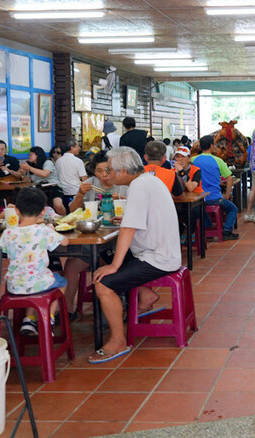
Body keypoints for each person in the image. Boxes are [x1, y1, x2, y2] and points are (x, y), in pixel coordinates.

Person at [88, 147, 182, 364]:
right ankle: (146, 295)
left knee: (104, 283)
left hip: (158, 257)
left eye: (110, 170)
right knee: (109, 254)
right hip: (159, 250)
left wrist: (114, 267)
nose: (108, 175)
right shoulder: (148, 179)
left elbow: (129, 229)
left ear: (122, 171)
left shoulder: (139, 186)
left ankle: (118, 341)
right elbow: (139, 219)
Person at [63, 150, 129, 316]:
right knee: (70, 266)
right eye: (99, 171)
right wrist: (80, 194)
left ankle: (115, 306)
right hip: (93, 238)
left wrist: (121, 200)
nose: (104, 175)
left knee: (105, 263)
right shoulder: (90, 184)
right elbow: (71, 211)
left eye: (107, 170)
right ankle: (67, 312)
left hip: (118, 241)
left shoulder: (123, 184)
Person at [0, 187, 69, 336]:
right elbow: (65, 242)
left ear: (16, 210)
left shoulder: (8, 232)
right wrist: (52, 230)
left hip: (13, 286)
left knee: (33, 284)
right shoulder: (44, 230)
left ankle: (29, 319)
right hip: (40, 282)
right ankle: (48, 319)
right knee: (62, 282)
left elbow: (3, 251)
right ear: (43, 212)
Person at [192, 135, 239, 241]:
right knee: (233, 209)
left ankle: (207, 228)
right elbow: (229, 178)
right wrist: (227, 195)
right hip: (215, 197)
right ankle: (227, 230)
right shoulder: (218, 161)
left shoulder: (194, 160)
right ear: (211, 146)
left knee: (202, 209)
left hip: (199, 198)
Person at [20, 146, 66, 215]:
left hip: (53, 187)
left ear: (38, 155)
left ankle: (64, 221)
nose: (29, 156)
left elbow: (45, 174)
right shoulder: (31, 166)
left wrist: (29, 168)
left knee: (58, 205)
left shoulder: (47, 162)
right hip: (39, 190)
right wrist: (23, 175)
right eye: (29, 154)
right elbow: (28, 181)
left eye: (31, 154)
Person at [55, 137, 87, 208]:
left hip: (62, 194)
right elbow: (85, 180)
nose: (79, 148)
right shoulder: (78, 161)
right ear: (72, 147)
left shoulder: (58, 161)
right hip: (75, 193)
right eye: (78, 146)